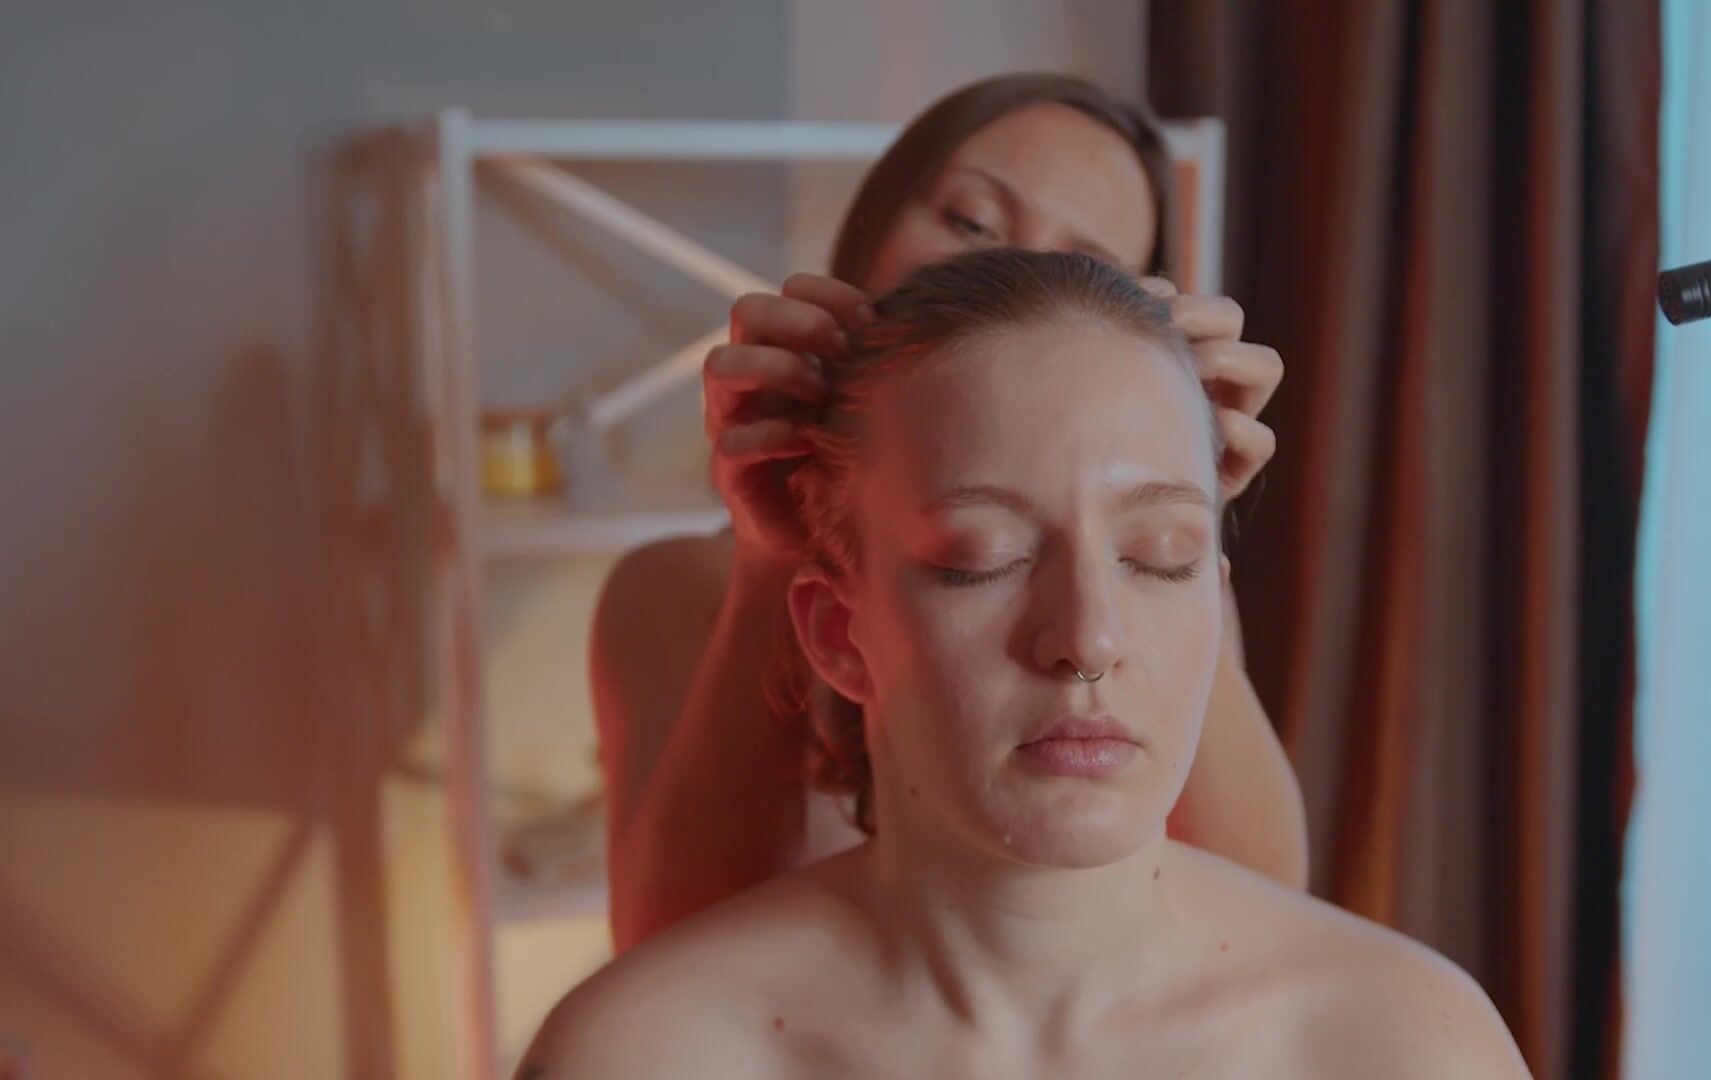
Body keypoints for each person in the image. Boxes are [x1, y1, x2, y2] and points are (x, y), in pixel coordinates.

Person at [523, 250, 1529, 1078]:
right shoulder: (647, 1053)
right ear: (836, 634)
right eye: (983, 561)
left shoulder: (1408, 1044)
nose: (1088, 639)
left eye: (1159, 558)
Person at [592, 73, 1307, 954]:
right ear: (868, 232)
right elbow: (674, 956)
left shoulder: (1140, 603)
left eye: (1086, 266)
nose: (1015, 278)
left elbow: (1262, 923)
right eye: (971, 221)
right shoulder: (675, 591)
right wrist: (773, 552)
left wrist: (1175, 496)